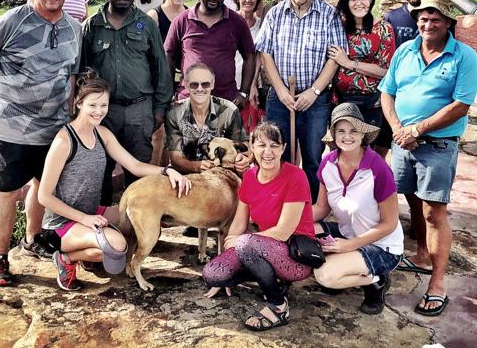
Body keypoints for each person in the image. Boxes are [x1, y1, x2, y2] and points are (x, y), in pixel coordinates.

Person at [0, 0, 81, 286]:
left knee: (43, 187)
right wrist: (2, 86)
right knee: (6, 191)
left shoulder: (73, 28)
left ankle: (33, 238)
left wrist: (70, 111)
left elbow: (72, 73)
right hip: (12, 127)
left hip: (54, 125)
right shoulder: (14, 19)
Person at [37, 71, 191, 291]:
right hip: (61, 224)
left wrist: (167, 171)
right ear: (79, 103)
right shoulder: (64, 140)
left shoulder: (102, 133)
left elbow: (135, 166)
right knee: (117, 247)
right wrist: (85, 219)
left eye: (104, 105)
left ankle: (92, 247)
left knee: (135, 222)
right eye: (92, 105)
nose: (99, 111)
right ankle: (66, 258)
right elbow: (43, 196)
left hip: (92, 212)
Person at [380, 0, 477, 317]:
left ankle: (437, 284)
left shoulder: (464, 57)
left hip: (437, 144)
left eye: (435, 18)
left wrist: (417, 129)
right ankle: (423, 256)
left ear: (448, 23)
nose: (427, 24)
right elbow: (388, 92)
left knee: (433, 212)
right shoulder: (404, 52)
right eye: (423, 18)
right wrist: (398, 128)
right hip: (402, 141)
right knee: (409, 200)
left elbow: (461, 105)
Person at [202, 121, 316, 331]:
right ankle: (267, 277)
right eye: (261, 145)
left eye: (274, 145)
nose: (268, 152)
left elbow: (283, 232)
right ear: (252, 148)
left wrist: (243, 243)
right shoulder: (250, 178)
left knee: (246, 243)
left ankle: (278, 305)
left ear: (282, 148)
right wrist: (229, 261)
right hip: (261, 248)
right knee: (213, 274)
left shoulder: (296, 176)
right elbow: (238, 225)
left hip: (295, 256)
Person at [253, 0, 347, 201]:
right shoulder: (275, 14)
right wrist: (281, 90)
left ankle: (310, 211)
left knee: (313, 157)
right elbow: (265, 53)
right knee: (275, 154)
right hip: (280, 98)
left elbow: (335, 58)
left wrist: (313, 91)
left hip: (314, 100)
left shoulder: (328, 15)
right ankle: (275, 207)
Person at [81, 0, 173, 205]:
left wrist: (160, 108)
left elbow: (161, 68)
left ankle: (135, 229)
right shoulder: (92, 26)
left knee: (138, 169)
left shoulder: (146, 24)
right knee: (99, 167)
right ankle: (99, 222)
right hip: (103, 112)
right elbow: (81, 70)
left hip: (139, 109)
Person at [312, 103, 402, 315]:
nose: (347, 137)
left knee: (326, 276)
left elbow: (389, 224)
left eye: (353, 130)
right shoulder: (328, 164)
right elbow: (321, 208)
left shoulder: (378, 169)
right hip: (348, 233)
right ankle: (347, 267)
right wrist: (289, 221)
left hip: (382, 245)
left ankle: (376, 282)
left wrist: (349, 246)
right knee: (308, 233)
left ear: (363, 134)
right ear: (333, 135)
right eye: (341, 131)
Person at [164, 0, 256, 110]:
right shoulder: (182, 20)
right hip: (187, 102)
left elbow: (249, 56)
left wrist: (243, 93)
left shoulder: (237, 22)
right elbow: (168, 55)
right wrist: (169, 93)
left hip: (225, 103)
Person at [327, 0, 396, 157]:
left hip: (371, 102)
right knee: (340, 152)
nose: (359, 2)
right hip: (340, 100)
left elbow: (386, 71)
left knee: (367, 154)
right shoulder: (337, 26)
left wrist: (349, 63)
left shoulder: (383, 29)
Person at [165, 62, 250, 174]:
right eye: (194, 84)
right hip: (184, 176)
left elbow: (244, 146)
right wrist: (196, 166)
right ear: (185, 84)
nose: (200, 89)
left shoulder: (229, 110)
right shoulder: (174, 112)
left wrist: (243, 159)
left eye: (205, 84)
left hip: (222, 176)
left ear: (212, 84)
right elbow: (175, 157)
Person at [147, 0, 189, 165]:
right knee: (158, 133)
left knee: (175, 134)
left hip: (182, 82)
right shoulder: (154, 16)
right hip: (160, 80)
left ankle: (167, 173)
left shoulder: (190, 15)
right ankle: (154, 177)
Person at [232, 0, 264, 108]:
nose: (248, 0)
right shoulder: (229, 22)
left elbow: (259, 57)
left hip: (253, 87)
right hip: (230, 84)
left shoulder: (262, 24)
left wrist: (253, 85)